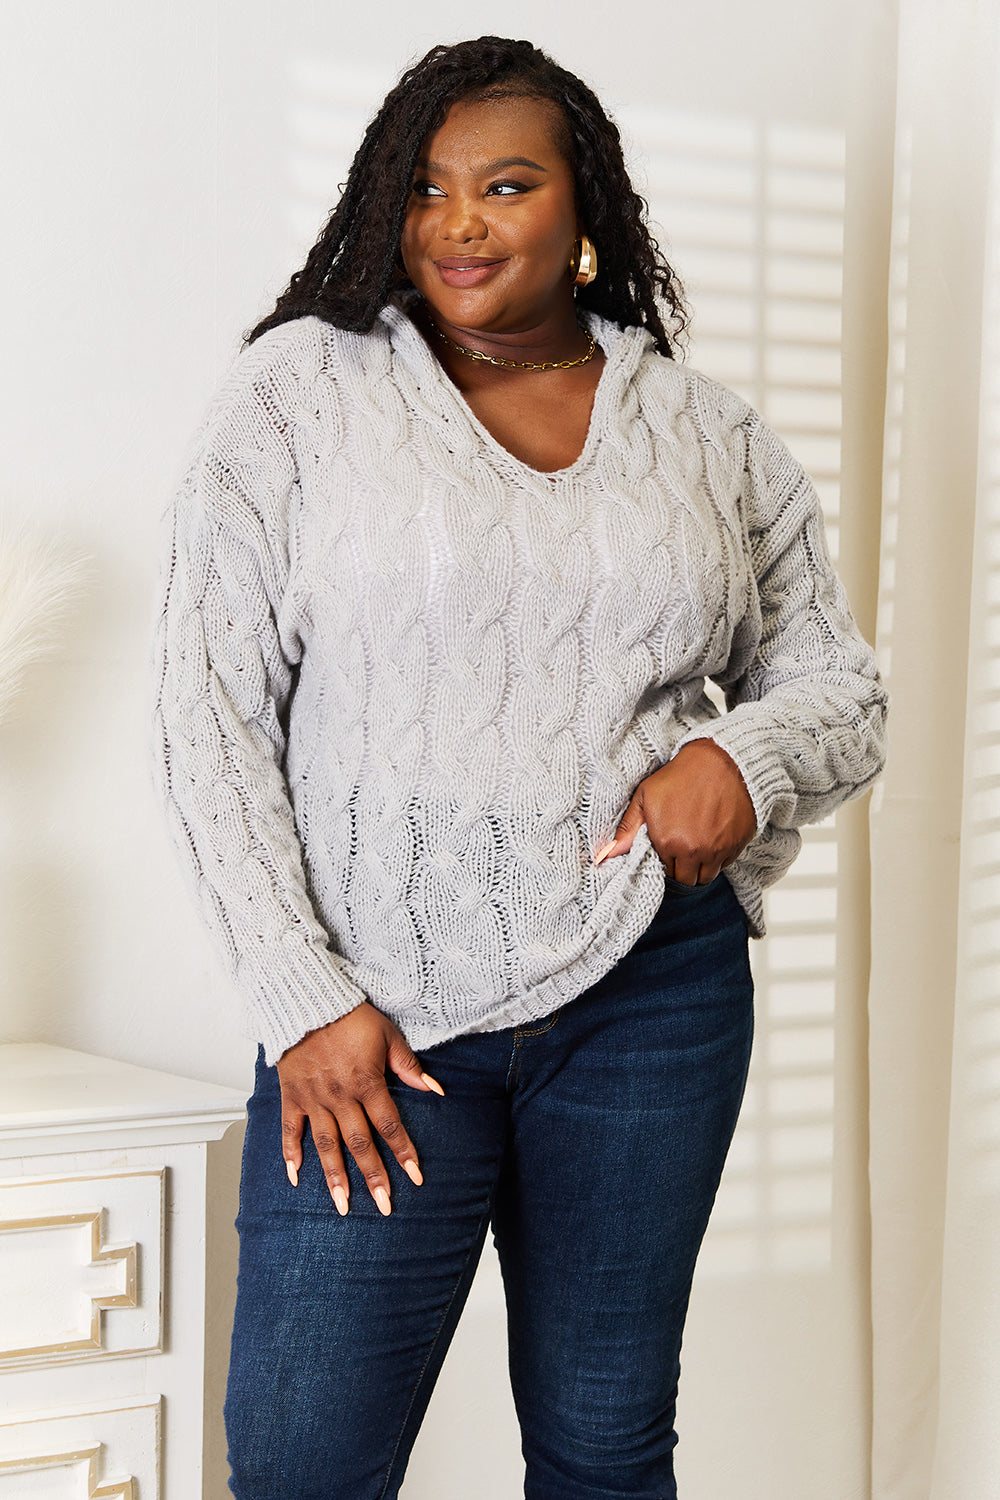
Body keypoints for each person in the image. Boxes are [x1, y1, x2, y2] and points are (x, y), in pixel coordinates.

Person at [153, 34, 887, 1500]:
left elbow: (840, 684)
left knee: (607, 1447)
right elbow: (206, 714)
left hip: (651, 1003)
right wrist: (307, 1002)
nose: (460, 222)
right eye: (425, 191)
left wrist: (738, 760)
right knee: (305, 1466)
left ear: (586, 211)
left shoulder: (701, 429)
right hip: (374, 1031)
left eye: (504, 185)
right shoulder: (300, 397)